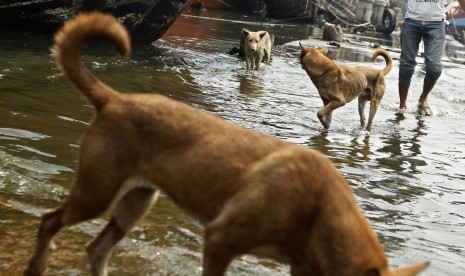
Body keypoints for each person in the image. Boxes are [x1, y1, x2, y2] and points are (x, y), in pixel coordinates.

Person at [398, 0, 465, 115]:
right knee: (406, 65)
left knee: (434, 68)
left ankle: (423, 98)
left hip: (436, 24)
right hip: (411, 21)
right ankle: (402, 105)